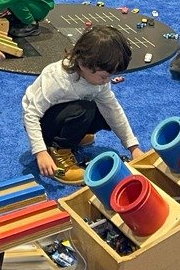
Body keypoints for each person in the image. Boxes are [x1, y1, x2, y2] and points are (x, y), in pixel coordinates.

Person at [22, 25, 141, 185]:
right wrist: (40, 152)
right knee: (84, 110)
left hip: (66, 114)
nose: (106, 81)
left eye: (110, 76)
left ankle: (72, 135)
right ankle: (59, 151)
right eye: (103, 76)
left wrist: (133, 147)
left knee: (106, 111)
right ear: (83, 64)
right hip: (43, 123)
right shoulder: (57, 80)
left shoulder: (98, 79)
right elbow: (31, 115)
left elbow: (113, 109)